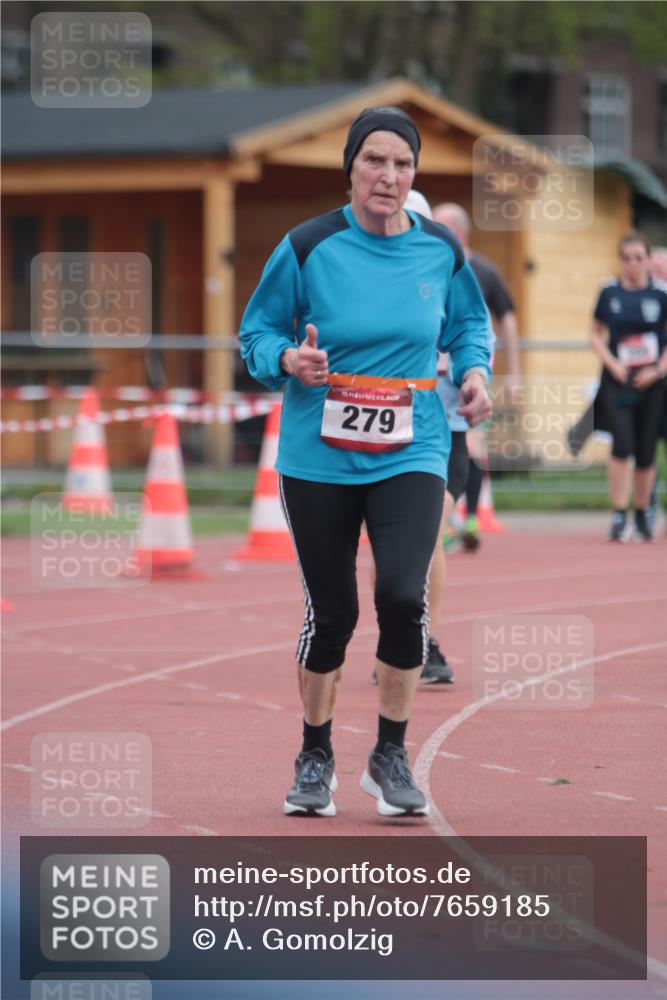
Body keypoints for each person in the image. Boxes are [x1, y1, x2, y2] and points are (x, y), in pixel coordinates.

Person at [239, 106, 493, 818]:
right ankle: (315, 754)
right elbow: (256, 333)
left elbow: (468, 325)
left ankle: (389, 754)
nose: (388, 175)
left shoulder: (439, 249)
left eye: (402, 163)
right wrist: (287, 359)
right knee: (333, 613)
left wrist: (475, 373)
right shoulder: (307, 245)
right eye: (374, 160)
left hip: (411, 448)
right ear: (350, 168)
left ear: (414, 174)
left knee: (404, 596)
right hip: (317, 455)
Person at [432, 203, 521, 552]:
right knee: (439, 445)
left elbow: (508, 318)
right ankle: (445, 519)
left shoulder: (484, 271)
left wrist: (514, 373)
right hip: (431, 378)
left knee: (472, 444)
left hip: (473, 374)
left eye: (438, 226)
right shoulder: (430, 267)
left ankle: (467, 518)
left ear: (459, 233)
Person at [589, 233, 667, 541]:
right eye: (626, 258)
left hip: (651, 381)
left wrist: (657, 370)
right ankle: (619, 513)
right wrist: (612, 363)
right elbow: (594, 333)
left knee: (646, 449)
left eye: (638, 257)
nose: (632, 263)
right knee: (622, 443)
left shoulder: (660, 294)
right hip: (617, 379)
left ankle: (642, 512)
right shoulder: (609, 292)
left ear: (647, 260)